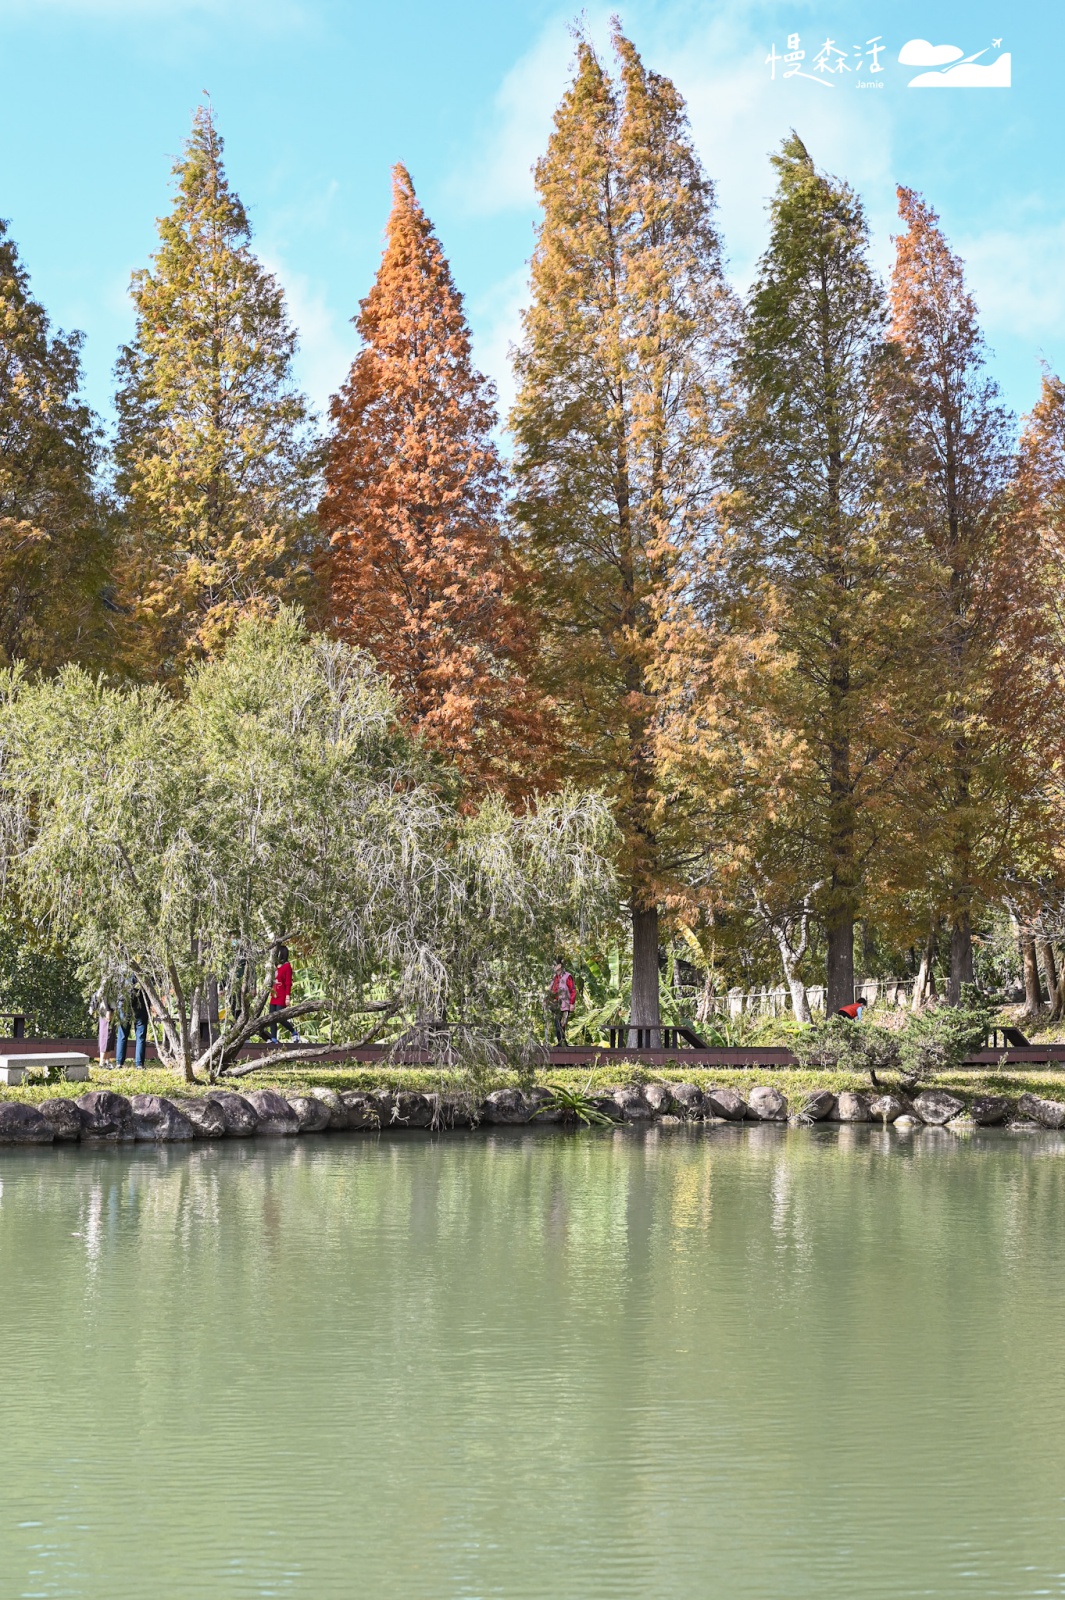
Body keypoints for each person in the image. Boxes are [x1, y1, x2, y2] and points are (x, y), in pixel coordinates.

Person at [267, 944, 301, 1044]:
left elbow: (288, 983)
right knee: (271, 1017)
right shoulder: (274, 967)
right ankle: (273, 1038)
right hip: (274, 994)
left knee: (280, 1016)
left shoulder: (287, 967)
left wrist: (287, 997)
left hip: (282, 994)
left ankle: (294, 1032)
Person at [115, 984, 149, 1068]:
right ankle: (139, 1064)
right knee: (140, 1035)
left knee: (122, 1034)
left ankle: (119, 1062)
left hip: (124, 1002)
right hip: (141, 1002)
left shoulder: (122, 972)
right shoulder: (143, 972)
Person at [549, 959, 576, 1045]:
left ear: (560, 966)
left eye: (556, 965)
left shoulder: (567, 976)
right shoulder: (554, 978)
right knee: (557, 1024)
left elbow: (572, 990)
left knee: (562, 1024)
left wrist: (572, 1003)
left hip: (565, 1004)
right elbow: (551, 990)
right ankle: (561, 1041)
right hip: (555, 1004)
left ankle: (563, 1042)